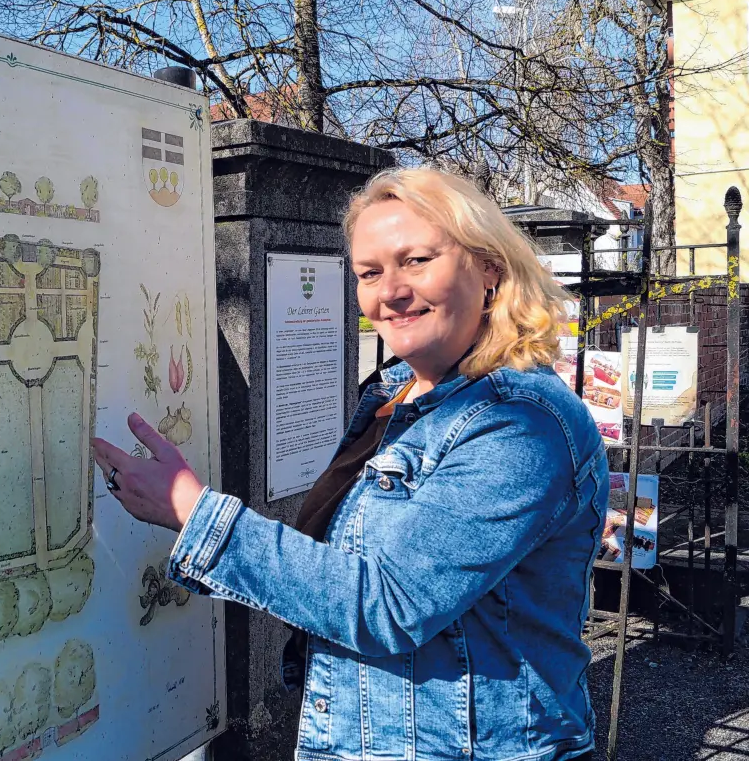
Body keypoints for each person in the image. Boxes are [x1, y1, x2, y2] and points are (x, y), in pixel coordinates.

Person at [92, 167, 607, 761]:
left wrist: (191, 509)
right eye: (369, 272)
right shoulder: (398, 394)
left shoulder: (521, 424)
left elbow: (388, 604)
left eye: (415, 260)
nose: (390, 291)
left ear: (488, 268)